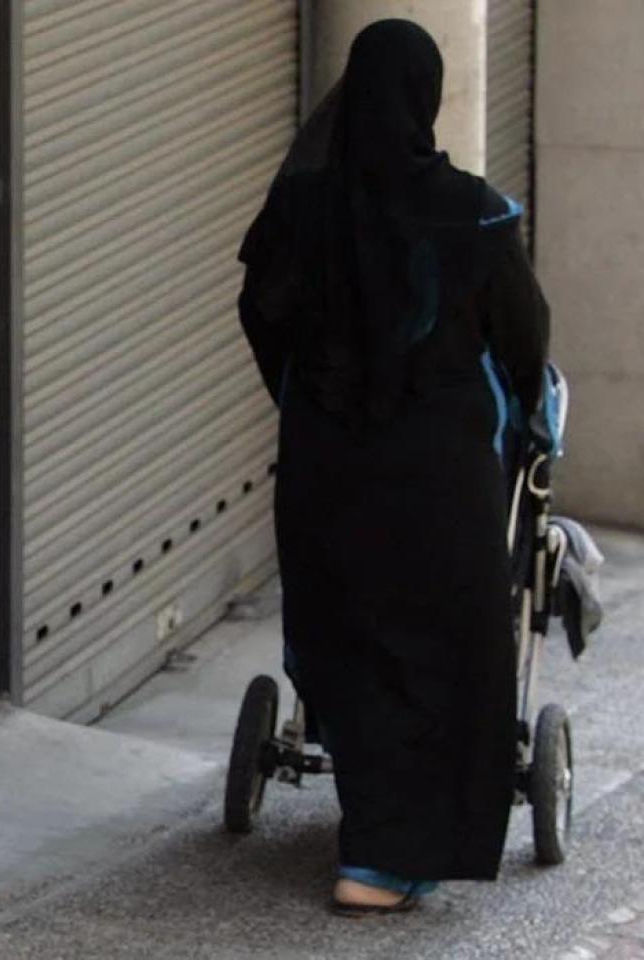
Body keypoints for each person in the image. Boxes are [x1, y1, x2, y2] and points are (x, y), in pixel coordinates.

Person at [237, 19, 550, 915]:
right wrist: (520, 414)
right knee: (447, 650)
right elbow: (524, 338)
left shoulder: (299, 208)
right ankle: (393, 854)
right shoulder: (477, 212)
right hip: (443, 478)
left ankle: (375, 843)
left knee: (352, 638)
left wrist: (314, 401)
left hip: (329, 473)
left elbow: (262, 314)